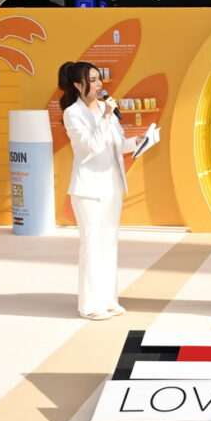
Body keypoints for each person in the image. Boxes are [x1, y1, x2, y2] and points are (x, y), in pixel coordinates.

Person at [58, 61, 144, 321]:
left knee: (109, 243)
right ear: (78, 85)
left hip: (112, 185)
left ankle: (108, 300)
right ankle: (89, 305)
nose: (99, 85)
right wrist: (105, 116)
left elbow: (117, 146)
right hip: (88, 188)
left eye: (99, 79)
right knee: (92, 244)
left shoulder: (106, 110)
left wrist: (138, 141)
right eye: (92, 80)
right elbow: (93, 146)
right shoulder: (73, 113)